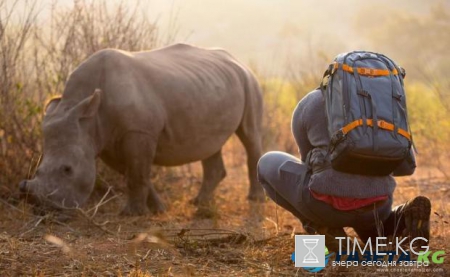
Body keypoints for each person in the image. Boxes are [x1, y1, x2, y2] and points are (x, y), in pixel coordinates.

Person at [257, 88, 431, 251]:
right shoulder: (387, 104)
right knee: (375, 233)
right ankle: (400, 217)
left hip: (324, 206)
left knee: (266, 162)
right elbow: (407, 166)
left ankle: (321, 227)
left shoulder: (311, 102)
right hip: (377, 207)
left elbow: (306, 163)